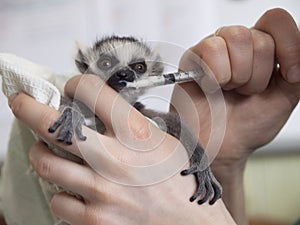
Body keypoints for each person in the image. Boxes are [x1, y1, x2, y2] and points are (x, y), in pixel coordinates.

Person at [5, 7, 300, 225]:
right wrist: (222, 165)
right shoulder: (75, 106)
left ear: (157, 72)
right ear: (85, 65)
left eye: (138, 68)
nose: (123, 74)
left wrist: (204, 169)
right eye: (107, 63)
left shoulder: (157, 123)